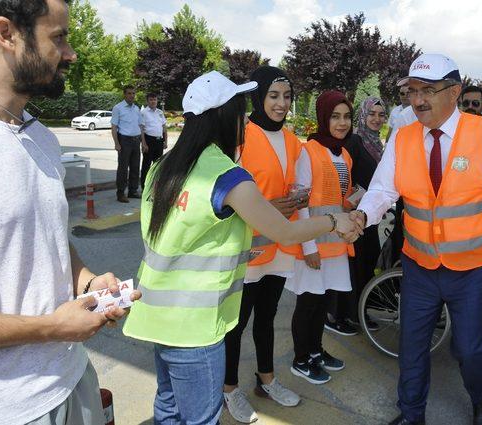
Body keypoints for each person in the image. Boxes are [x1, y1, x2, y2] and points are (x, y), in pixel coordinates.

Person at [122, 72, 358, 425]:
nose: (244, 119)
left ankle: (263, 381)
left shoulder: (161, 167)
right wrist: (334, 222)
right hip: (197, 325)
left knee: (168, 411)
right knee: (201, 418)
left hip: (156, 316)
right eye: (239, 111)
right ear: (223, 116)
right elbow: (284, 231)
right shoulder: (226, 175)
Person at [351, 53, 482, 425]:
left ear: (455, 92)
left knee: (471, 349)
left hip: (474, 270)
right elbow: (383, 191)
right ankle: (412, 413)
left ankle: (480, 399)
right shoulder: (402, 138)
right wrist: (361, 215)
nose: (418, 100)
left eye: (428, 91)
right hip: (419, 266)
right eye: (413, 90)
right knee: (412, 344)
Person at [0, 1, 141, 424]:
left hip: (73, 375)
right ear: (6, 34)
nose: (72, 52)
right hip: (15, 409)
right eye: (58, 37)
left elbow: (48, 238)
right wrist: (53, 328)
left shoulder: (40, 137)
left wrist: (90, 281)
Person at [223, 66, 304, 424]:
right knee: (237, 323)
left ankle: (266, 380)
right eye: (273, 96)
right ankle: (228, 389)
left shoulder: (290, 140)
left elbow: (293, 184)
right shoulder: (241, 135)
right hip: (249, 247)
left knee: (267, 317)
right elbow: (224, 194)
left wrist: (299, 198)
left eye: (286, 96)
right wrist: (270, 207)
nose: (281, 104)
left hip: (279, 248)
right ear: (258, 97)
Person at [286, 90, 355, 385]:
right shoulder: (309, 151)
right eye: (335, 116)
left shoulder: (344, 153)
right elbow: (301, 202)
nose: (342, 123)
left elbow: (341, 198)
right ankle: (301, 359)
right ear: (322, 118)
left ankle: (316, 351)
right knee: (308, 304)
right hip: (313, 244)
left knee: (324, 300)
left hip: (335, 242)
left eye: (346, 116)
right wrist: (308, 246)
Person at [325, 96, 386, 335]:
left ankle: (358, 311)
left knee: (366, 263)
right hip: (350, 213)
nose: (377, 119)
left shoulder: (376, 144)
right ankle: (338, 314)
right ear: (363, 115)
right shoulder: (354, 141)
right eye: (372, 114)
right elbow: (340, 176)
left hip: (369, 214)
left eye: (381, 114)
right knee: (350, 265)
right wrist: (350, 197)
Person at [111, 85, 145, 203]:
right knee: (123, 168)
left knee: (135, 167)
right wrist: (116, 143)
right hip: (124, 141)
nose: (131, 96)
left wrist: (143, 143)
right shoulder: (118, 108)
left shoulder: (136, 109)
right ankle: (120, 193)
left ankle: (133, 191)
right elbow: (114, 127)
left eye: (133, 93)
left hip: (136, 141)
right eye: (129, 93)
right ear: (124, 94)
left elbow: (141, 126)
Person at [140, 92, 167, 190]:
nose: (153, 101)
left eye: (155, 99)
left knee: (158, 165)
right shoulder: (143, 113)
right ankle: (144, 187)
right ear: (147, 101)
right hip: (148, 141)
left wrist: (165, 141)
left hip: (159, 141)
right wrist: (143, 143)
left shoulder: (160, 112)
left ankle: (156, 186)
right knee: (146, 165)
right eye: (151, 100)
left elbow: (164, 127)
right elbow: (141, 129)